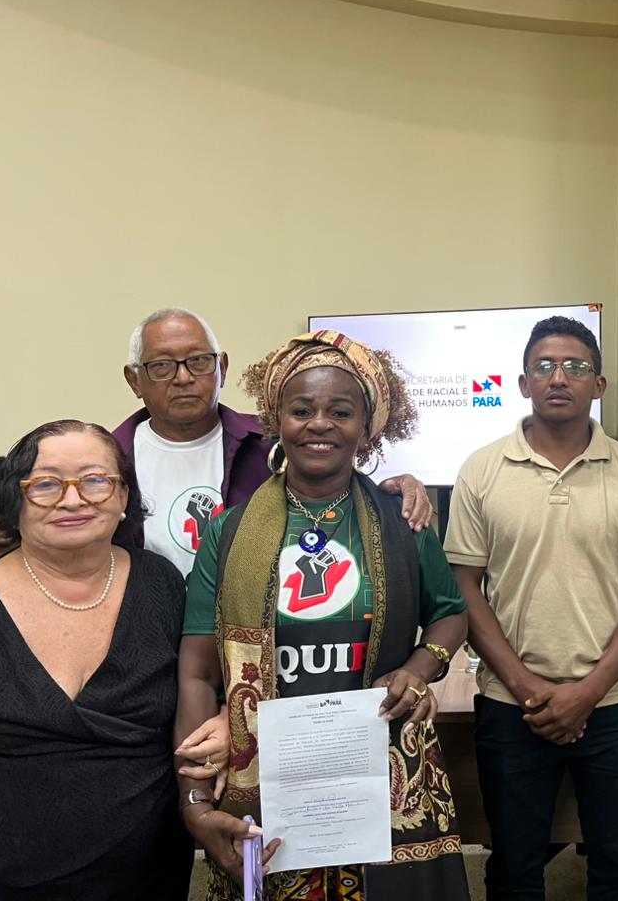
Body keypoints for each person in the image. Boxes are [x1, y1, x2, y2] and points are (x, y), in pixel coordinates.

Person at [175, 329, 470, 901]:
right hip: (268, 770)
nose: (319, 424)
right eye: (301, 410)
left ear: (368, 426)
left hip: (383, 762)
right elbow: (196, 670)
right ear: (276, 420)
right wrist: (195, 801)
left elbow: (450, 616)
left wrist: (418, 669)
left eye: (341, 411)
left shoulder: (403, 522)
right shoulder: (229, 532)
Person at [0, 307, 432, 595]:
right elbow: (53, 538)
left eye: (198, 361)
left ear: (222, 368)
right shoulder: (106, 463)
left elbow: (338, 494)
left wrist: (400, 485)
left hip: (263, 640)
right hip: (143, 642)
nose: (184, 377)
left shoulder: (273, 444)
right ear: (134, 380)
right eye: (162, 366)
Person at [444, 316, 618, 901]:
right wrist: (525, 688)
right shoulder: (481, 470)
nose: (559, 377)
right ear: (524, 383)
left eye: (575, 366)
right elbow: (464, 587)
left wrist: (587, 693)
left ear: (599, 385)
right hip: (511, 706)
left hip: (611, 705)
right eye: (544, 366)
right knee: (513, 871)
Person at [0, 420, 192, 899]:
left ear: (124, 496)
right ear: (14, 500)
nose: (72, 500)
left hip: (144, 881)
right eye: (45, 484)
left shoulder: (164, 587)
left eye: (95, 480)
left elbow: (199, 698)